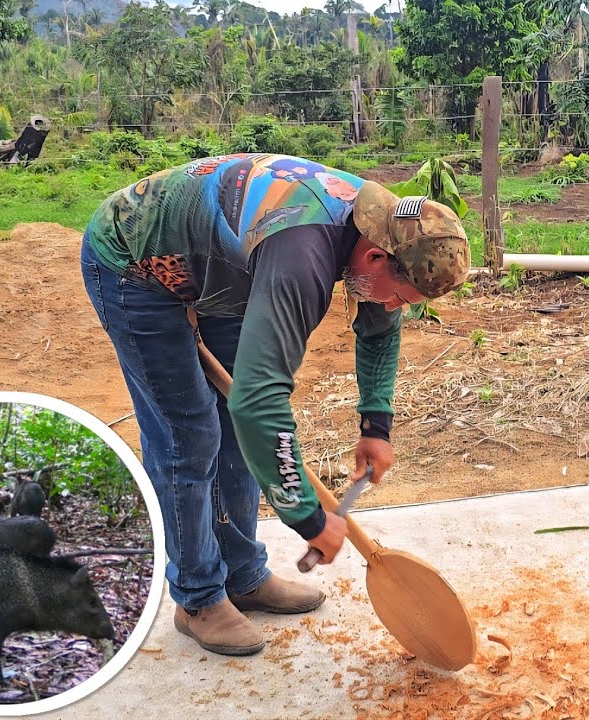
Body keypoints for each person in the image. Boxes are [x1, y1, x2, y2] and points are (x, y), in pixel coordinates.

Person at [79, 153, 470, 656]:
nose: (397, 306)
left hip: (220, 268)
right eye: (403, 295)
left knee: (235, 430)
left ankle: (241, 575)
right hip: (134, 264)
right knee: (189, 434)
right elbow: (259, 400)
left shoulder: (385, 228)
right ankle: (197, 598)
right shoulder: (301, 254)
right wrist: (309, 517)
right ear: (374, 257)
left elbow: (378, 325)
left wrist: (377, 425)